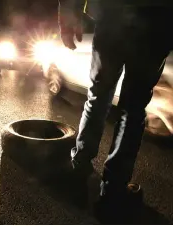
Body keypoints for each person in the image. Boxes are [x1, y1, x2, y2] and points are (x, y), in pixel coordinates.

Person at [59, 0, 173, 219]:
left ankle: (79, 169)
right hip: (157, 20)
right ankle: (113, 193)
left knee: (98, 96)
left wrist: (67, 13)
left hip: (113, 14)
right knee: (133, 109)